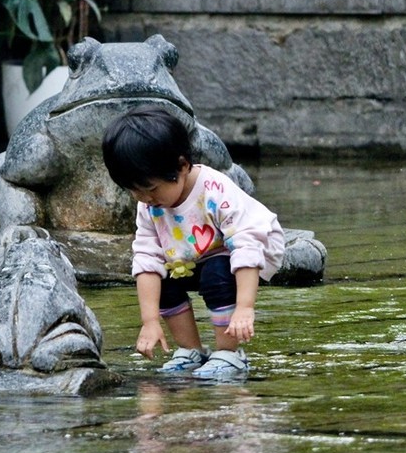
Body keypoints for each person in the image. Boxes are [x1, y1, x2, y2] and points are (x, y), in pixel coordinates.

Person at [102, 105, 285, 378]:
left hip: (253, 250)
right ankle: (191, 350)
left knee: (216, 274)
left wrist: (245, 308)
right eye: (134, 191)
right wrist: (149, 321)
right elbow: (146, 259)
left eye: (151, 189)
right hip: (195, 254)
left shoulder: (214, 191)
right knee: (160, 279)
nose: (145, 198)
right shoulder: (149, 204)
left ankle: (229, 353)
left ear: (182, 166)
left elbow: (246, 244)